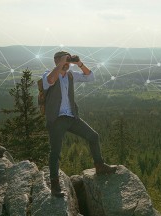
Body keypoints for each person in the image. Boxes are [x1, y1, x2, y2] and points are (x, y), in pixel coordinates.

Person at [43, 51, 117, 197]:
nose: (67, 64)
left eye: (67, 62)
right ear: (56, 62)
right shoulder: (47, 74)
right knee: (55, 152)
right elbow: (51, 81)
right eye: (64, 62)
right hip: (57, 119)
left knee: (93, 136)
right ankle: (54, 184)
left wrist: (79, 64)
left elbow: (90, 77)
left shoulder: (71, 75)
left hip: (71, 117)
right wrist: (60, 64)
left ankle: (99, 165)